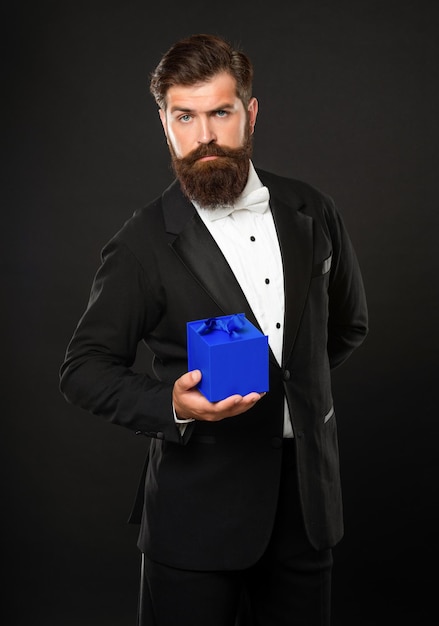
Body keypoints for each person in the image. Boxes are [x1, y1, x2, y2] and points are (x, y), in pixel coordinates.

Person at [59, 33, 368, 626]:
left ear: (250, 114)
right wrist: (173, 405)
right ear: (165, 122)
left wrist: (290, 392)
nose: (204, 137)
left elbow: (347, 325)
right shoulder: (142, 242)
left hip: (307, 507)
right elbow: (83, 370)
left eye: (221, 113)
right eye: (185, 116)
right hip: (194, 517)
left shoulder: (313, 210)